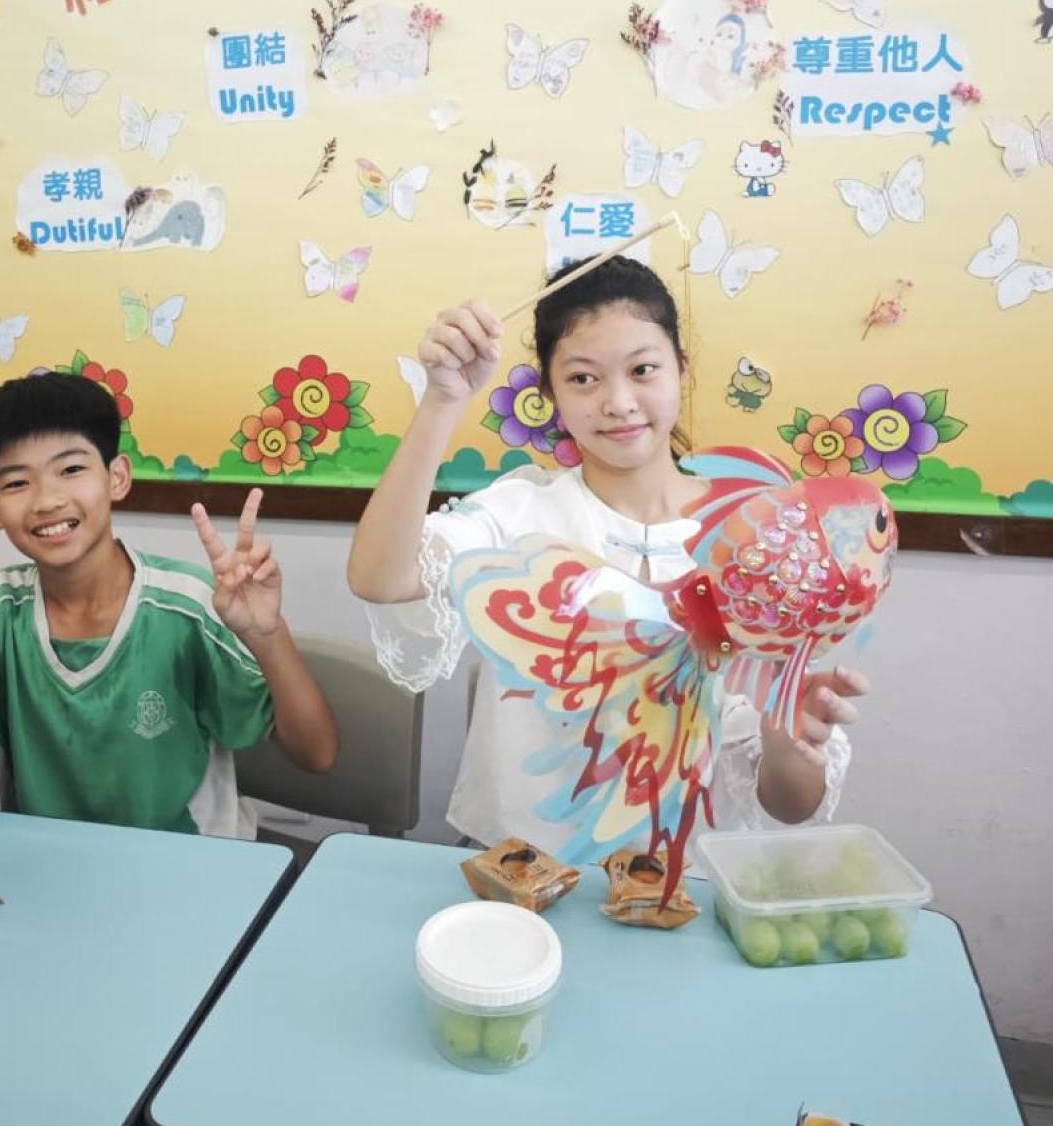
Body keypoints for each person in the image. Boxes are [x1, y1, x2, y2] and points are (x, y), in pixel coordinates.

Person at [348, 255, 866, 857]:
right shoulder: (519, 513)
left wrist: (783, 743)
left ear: (681, 369)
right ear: (550, 393)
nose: (618, 402)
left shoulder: (760, 539)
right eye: (583, 379)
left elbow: (790, 805)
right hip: (522, 872)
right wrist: (442, 400)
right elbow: (380, 577)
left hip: (686, 884)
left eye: (642, 369)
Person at [0, 372, 337, 836]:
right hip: (47, 866)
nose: (48, 500)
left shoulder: (191, 606)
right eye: (17, 483)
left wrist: (267, 634)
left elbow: (317, 754)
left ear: (117, 477)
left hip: (187, 864)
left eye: (71, 470)